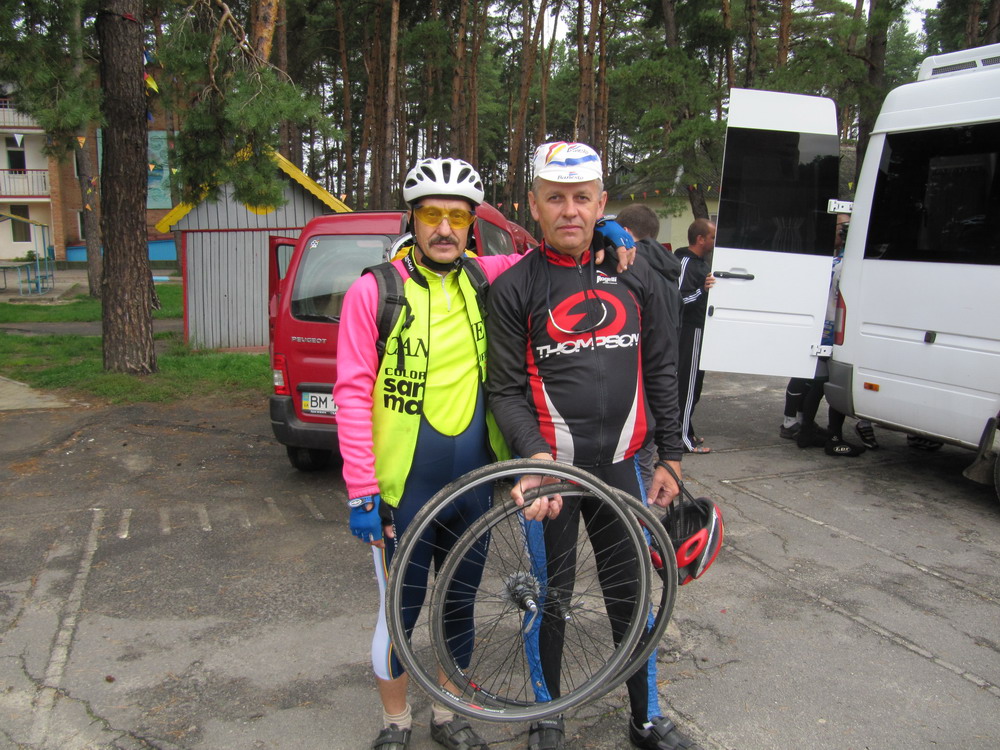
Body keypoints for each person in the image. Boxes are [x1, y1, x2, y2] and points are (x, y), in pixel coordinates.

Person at [334, 156, 634, 750]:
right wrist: (361, 489)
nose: (445, 229)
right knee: (401, 610)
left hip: (475, 484)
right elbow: (350, 393)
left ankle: (448, 714)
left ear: (473, 224)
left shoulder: (486, 275)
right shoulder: (376, 291)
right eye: (431, 215)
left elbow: (552, 249)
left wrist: (604, 228)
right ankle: (396, 722)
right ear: (412, 220)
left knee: (461, 603)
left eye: (458, 217)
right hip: (402, 489)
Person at [486, 141, 699, 750]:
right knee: (547, 598)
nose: (570, 211)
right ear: (533, 205)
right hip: (552, 471)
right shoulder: (516, 287)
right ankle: (546, 717)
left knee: (631, 595)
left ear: (602, 203)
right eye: (555, 198)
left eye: (582, 198)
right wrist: (534, 457)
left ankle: (646, 718)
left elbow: (663, 368)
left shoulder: (637, 275)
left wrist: (671, 456)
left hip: (623, 467)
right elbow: (504, 390)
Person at [615, 203, 683, 491]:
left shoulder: (628, 266)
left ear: (625, 231)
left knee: (634, 468)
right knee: (644, 462)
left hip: (636, 379)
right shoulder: (670, 270)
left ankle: (639, 516)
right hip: (664, 374)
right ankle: (641, 515)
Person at [676, 220, 716, 454]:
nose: (714, 242)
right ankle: (681, 439)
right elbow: (678, 299)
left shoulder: (701, 263)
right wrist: (703, 290)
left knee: (694, 386)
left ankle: (687, 430)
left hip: (699, 329)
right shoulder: (685, 262)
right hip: (689, 331)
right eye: (712, 237)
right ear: (700, 239)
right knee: (687, 385)